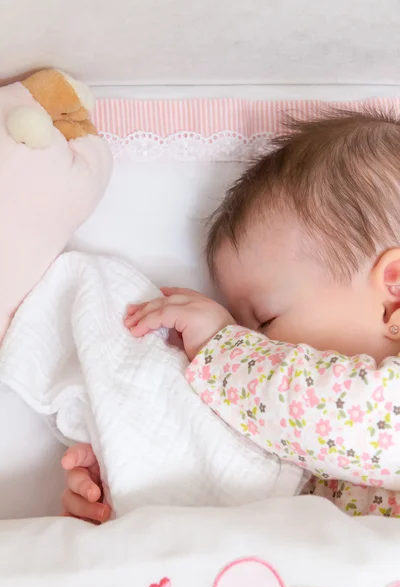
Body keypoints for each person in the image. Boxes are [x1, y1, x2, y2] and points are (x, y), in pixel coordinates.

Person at [62, 109, 400, 521]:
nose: (253, 344)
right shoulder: (301, 444)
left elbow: (327, 411)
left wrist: (220, 347)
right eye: (243, 329)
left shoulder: (357, 411)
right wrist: (128, 466)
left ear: (394, 292)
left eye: (265, 321)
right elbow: (230, 495)